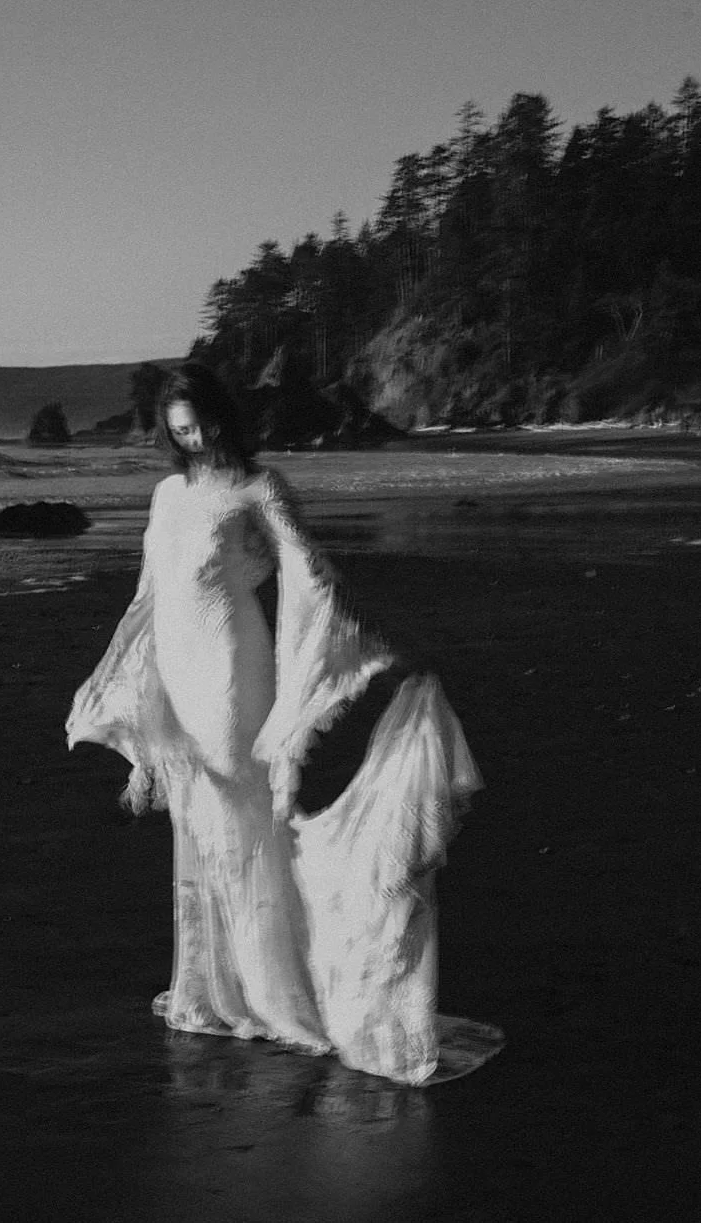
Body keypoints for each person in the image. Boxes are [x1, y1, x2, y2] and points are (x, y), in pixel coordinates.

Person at [67, 362, 500, 1085]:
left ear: (224, 417)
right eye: (179, 431)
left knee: (245, 821)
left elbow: (310, 575)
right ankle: (220, 985)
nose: (193, 440)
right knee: (201, 826)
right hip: (179, 670)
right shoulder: (168, 494)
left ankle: (278, 993)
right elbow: (150, 593)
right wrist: (137, 696)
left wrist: (372, 646)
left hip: (234, 669)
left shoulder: (258, 488)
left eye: (201, 424)